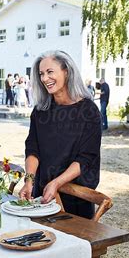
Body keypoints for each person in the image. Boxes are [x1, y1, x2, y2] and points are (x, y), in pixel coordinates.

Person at [19, 50, 102, 219]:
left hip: (76, 199)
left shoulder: (88, 111)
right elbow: (33, 149)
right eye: (41, 74)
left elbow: (86, 159)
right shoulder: (40, 110)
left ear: (67, 71)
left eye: (50, 72)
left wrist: (56, 183)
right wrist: (29, 181)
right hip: (42, 197)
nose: (44, 79)